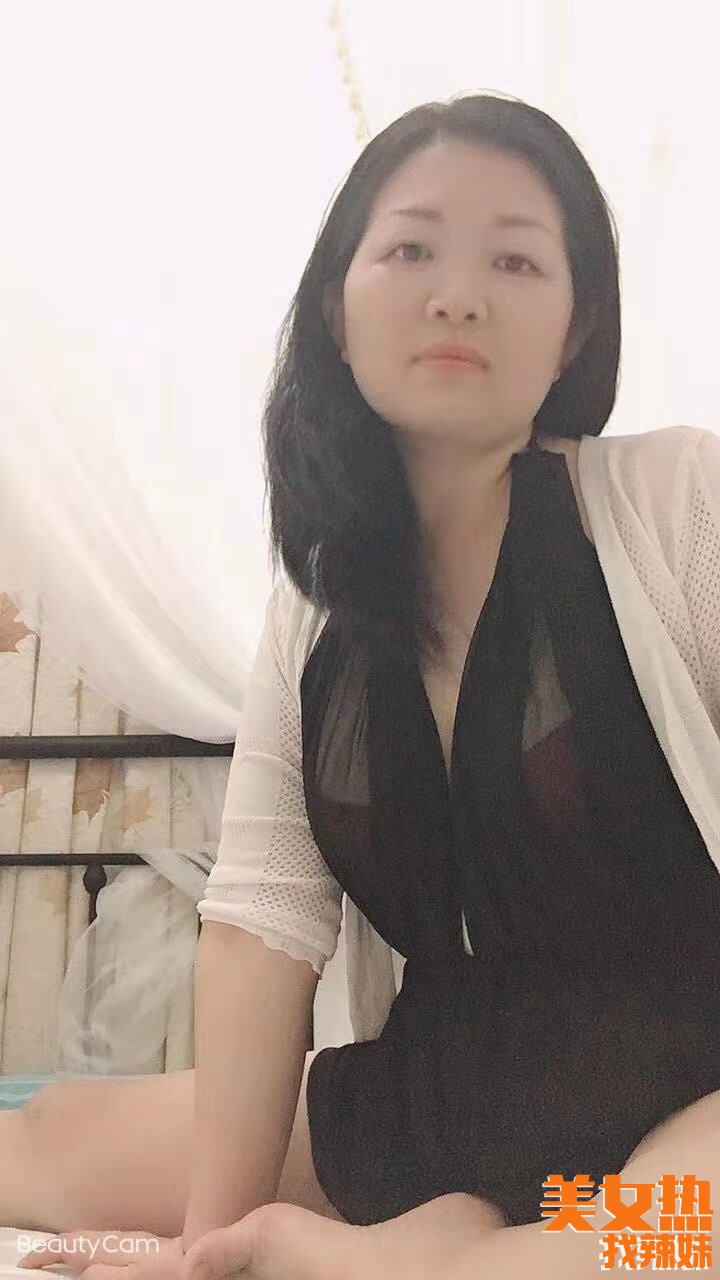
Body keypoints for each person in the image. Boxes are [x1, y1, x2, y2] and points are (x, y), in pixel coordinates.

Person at [5, 90, 720, 1279]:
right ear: (336, 310)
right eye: (411, 250)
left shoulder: (682, 506)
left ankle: (432, 1259)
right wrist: (212, 1249)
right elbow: (261, 921)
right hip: (451, 1090)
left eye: (515, 260)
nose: (458, 295)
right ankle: (439, 1234)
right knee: (53, 1131)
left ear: (577, 326)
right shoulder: (319, 606)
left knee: (648, 1246)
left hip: (693, 1091)